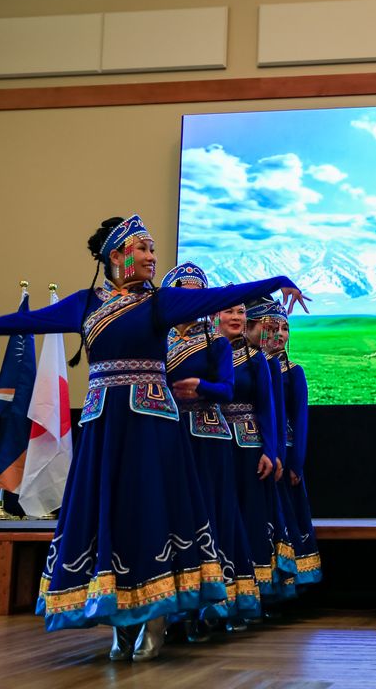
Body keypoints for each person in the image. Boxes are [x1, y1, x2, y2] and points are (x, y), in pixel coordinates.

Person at [0, 215, 307, 662]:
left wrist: (278, 280)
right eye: (143, 248)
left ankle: (156, 616)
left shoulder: (160, 303)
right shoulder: (85, 303)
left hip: (151, 425)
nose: (152, 256)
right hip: (105, 425)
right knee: (110, 512)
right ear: (117, 255)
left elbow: (224, 296)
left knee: (152, 510)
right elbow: (33, 320)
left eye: (153, 249)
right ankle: (121, 618)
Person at [161, 262, 259, 639]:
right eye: (183, 293)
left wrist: (200, 385)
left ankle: (211, 606)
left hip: (208, 436)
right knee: (174, 517)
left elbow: (228, 390)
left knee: (210, 514)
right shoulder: (159, 340)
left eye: (198, 294)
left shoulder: (215, 342)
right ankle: (172, 608)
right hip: (170, 434)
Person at [230, 299, 298, 611]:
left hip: (253, 446)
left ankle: (255, 591)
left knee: (256, 515)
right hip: (217, 442)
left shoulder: (263, 362)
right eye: (265, 327)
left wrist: (276, 451)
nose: (272, 334)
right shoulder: (216, 354)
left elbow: (274, 410)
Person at [262, 301, 322, 589]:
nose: (281, 334)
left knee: (287, 518)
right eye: (273, 328)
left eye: (285, 328)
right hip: (256, 452)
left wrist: (296, 461)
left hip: (285, 460)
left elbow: (301, 419)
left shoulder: (293, 371)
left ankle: (285, 586)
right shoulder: (248, 367)